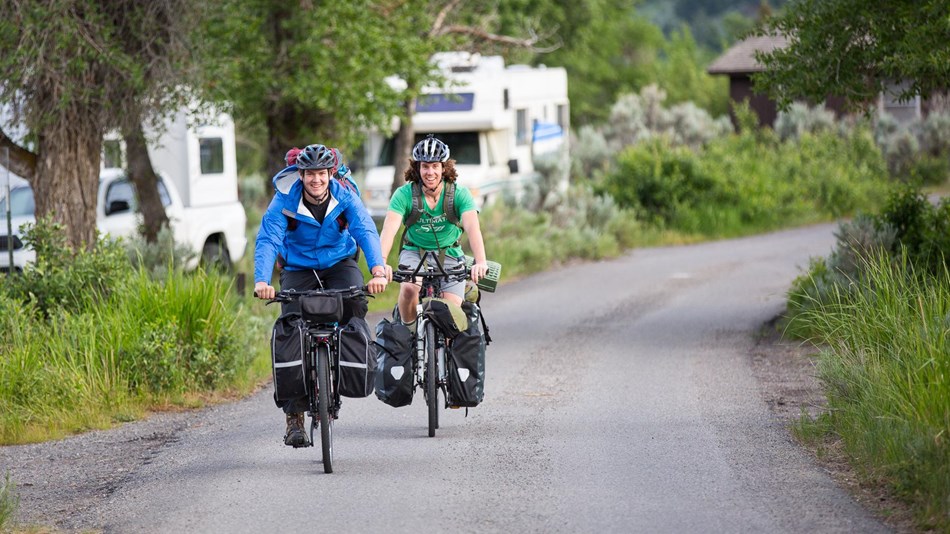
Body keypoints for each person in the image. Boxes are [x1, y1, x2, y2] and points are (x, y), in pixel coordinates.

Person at [254, 143, 388, 447]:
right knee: (290, 328)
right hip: (298, 267)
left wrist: (377, 269)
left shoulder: (344, 196)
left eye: (322, 173)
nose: (316, 179)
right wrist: (263, 280)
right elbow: (268, 238)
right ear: (301, 174)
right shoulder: (284, 200)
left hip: (339, 262)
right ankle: (294, 418)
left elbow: (364, 229)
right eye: (310, 173)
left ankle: (347, 363)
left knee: (355, 303)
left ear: (330, 174)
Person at [379, 135, 489, 327]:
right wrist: (380, 265)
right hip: (414, 252)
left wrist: (480, 262)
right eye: (425, 166)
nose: (430, 172)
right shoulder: (404, 194)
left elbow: (473, 227)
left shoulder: (459, 193)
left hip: (450, 255)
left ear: (444, 168)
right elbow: (389, 229)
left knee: (451, 315)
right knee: (409, 289)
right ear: (417, 168)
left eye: (435, 166)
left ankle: (443, 353)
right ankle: (410, 332)